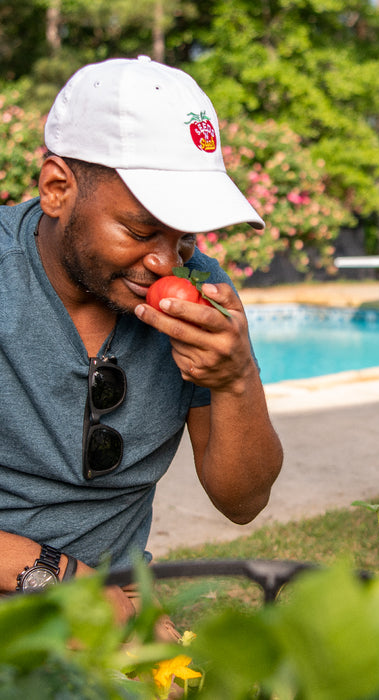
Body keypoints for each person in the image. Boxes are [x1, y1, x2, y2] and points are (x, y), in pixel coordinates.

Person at [0, 56, 283, 624]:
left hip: (121, 609)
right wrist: (63, 581)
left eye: (184, 235)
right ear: (58, 189)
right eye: (139, 229)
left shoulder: (203, 291)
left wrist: (235, 379)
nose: (165, 262)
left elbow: (243, 502)